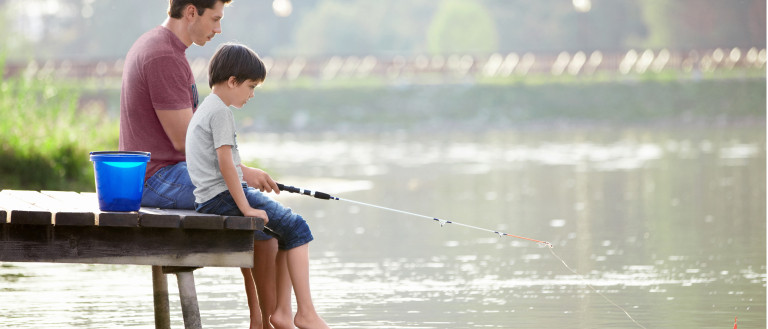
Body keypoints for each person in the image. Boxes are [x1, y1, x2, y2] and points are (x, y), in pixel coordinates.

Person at [118, 1, 278, 328]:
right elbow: (185, 142)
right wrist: (242, 173)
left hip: (166, 173)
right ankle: (264, 322)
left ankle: (260, 320)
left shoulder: (163, 48)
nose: (218, 29)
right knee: (262, 215)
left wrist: (241, 173)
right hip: (157, 179)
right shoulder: (163, 55)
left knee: (251, 205)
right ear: (191, 12)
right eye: (215, 19)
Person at [186, 42, 331, 329]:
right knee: (299, 227)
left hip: (211, 197)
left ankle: (281, 313)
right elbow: (226, 164)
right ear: (232, 81)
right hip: (223, 197)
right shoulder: (221, 113)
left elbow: (223, 164)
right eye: (251, 86)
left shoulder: (207, 108)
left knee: (283, 232)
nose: (252, 94)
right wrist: (246, 207)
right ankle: (305, 313)